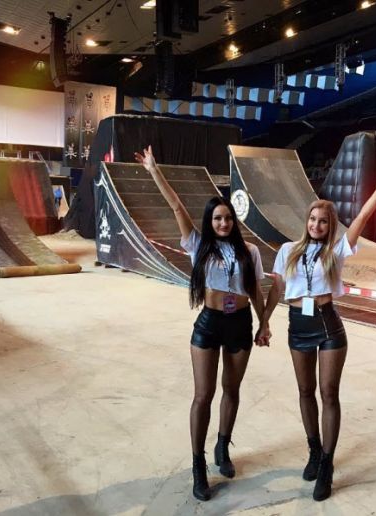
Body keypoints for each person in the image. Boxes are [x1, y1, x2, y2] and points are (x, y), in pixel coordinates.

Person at [259, 154, 376, 501]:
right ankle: (313, 449)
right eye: (312, 219)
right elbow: (276, 289)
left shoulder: (336, 251)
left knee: (328, 393)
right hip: (297, 325)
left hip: (328, 325)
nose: (316, 225)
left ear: (331, 225)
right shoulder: (288, 250)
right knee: (305, 392)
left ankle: (326, 464)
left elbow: (363, 217)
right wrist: (263, 321)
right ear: (306, 220)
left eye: (323, 221)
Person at [134, 146, 269, 502]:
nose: (223, 223)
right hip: (209, 323)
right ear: (209, 221)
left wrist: (264, 324)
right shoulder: (197, 244)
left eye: (228, 218)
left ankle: (223, 446)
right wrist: (153, 170)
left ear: (234, 220)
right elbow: (177, 206)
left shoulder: (250, 251)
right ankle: (198, 464)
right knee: (202, 395)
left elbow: (256, 291)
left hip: (240, 322)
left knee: (232, 390)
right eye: (217, 218)